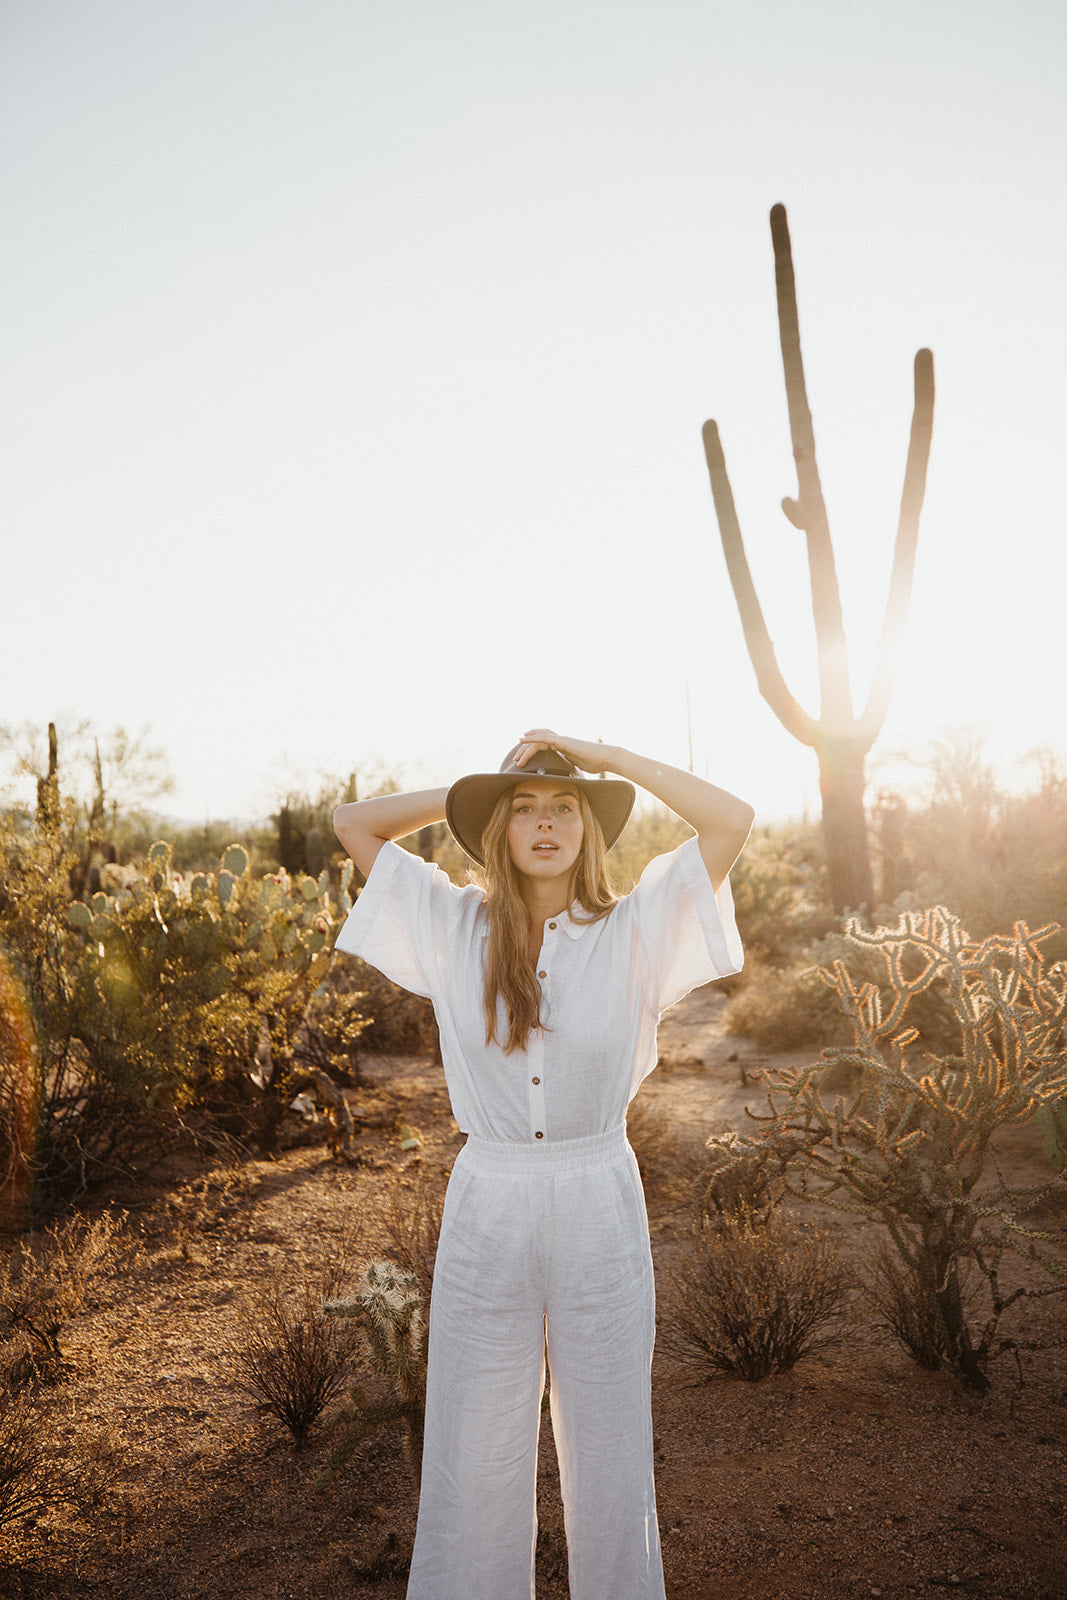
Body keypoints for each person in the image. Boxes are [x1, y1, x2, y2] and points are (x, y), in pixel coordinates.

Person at [333, 730, 753, 1600]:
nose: (546, 823)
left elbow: (731, 819)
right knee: (472, 1442)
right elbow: (355, 824)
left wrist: (602, 757)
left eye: (565, 808)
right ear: (499, 831)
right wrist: (469, 787)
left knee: (608, 1441)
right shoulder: (453, 925)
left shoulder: (636, 926)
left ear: (589, 829)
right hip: (488, 1198)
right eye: (522, 809)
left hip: (597, 1192)